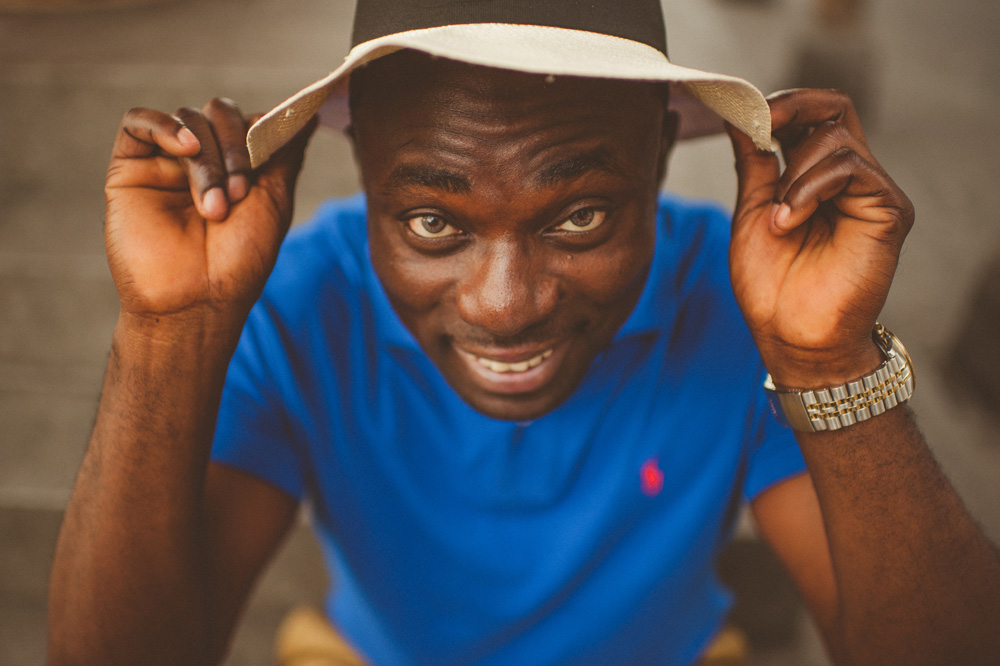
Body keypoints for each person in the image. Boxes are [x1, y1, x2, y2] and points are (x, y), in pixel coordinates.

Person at [47, 1, 1000, 665]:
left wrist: (826, 356)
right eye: (433, 223)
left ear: (663, 155)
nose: (504, 305)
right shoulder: (301, 305)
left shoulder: (746, 308)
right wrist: (170, 330)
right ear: (360, 165)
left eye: (580, 216)